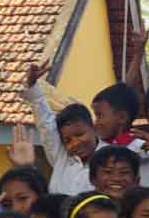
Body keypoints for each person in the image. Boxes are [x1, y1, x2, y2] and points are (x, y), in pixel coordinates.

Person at [23, 63, 99, 196]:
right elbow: (46, 123)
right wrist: (33, 86)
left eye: (80, 134)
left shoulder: (109, 160)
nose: (75, 143)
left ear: (94, 129)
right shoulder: (61, 158)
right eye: (67, 140)